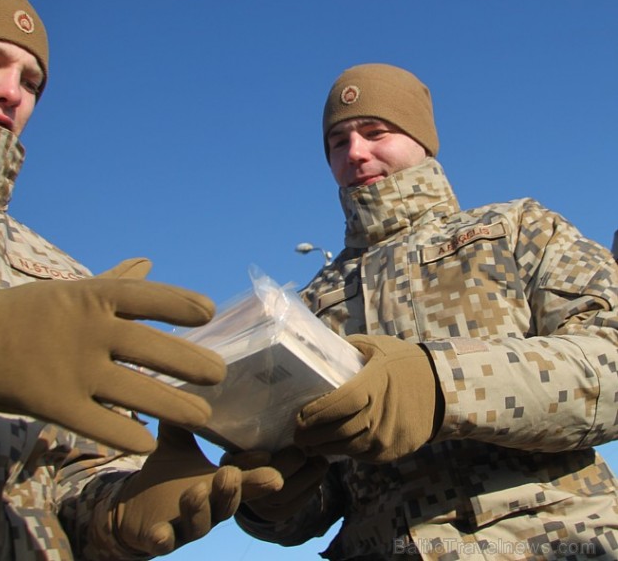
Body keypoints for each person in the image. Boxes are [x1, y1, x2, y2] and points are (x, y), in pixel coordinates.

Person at [0, 0, 281, 559]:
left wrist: (122, 505)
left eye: (31, 82)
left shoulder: (63, 277)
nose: (11, 91)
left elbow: (67, 480)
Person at [233, 63, 618, 559]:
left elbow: (609, 361)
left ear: (421, 139)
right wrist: (272, 500)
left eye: (375, 132)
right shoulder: (308, 306)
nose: (355, 153)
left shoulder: (519, 229)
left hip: (554, 542)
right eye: (337, 142)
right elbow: (326, 495)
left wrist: (438, 385)